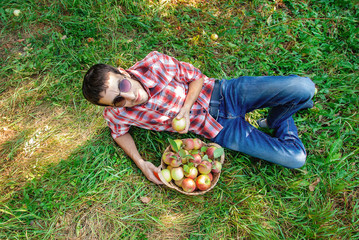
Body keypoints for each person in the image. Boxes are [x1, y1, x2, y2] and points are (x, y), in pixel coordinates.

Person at [82, 51, 315, 185]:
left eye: (123, 85)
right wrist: (141, 163)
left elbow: (196, 77)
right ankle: (282, 116)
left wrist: (185, 109)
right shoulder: (117, 113)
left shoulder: (155, 64)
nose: (130, 96)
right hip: (219, 129)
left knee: (305, 88)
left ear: (122, 71)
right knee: (296, 158)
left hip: (226, 93)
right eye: (118, 100)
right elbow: (119, 133)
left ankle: (278, 116)